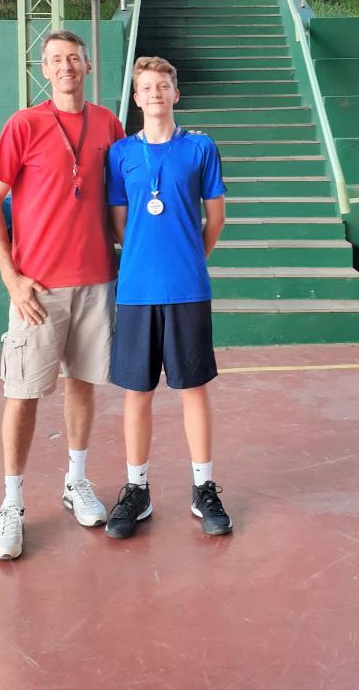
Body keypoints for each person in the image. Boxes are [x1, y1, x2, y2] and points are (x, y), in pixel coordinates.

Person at [0, 30, 124, 560]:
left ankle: (76, 481)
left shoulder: (108, 123)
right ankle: (12, 503)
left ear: (88, 65)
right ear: (45, 70)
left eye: (73, 58)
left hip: (97, 282)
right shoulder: (23, 124)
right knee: (22, 396)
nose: (65, 66)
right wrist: (11, 279)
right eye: (55, 60)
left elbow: (116, 202)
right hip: (38, 290)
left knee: (84, 384)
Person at [104, 55, 232, 539]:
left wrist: (190, 257)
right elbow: (119, 223)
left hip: (187, 288)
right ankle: (137, 489)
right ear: (136, 98)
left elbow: (215, 218)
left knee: (193, 388)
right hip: (136, 290)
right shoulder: (120, 154)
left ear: (175, 94)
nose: (155, 93)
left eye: (163, 86)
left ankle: (204, 487)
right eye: (147, 87)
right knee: (137, 392)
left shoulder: (200, 148)